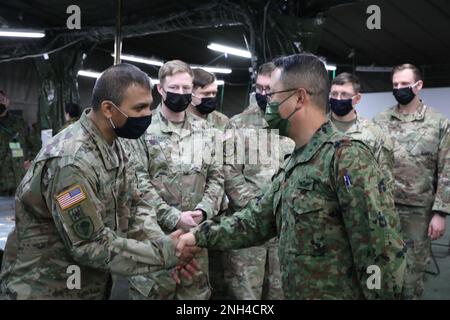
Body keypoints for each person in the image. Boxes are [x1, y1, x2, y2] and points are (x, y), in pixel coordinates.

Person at [176, 53, 406, 300]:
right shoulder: (296, 160)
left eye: (273, 95)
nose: (266, 102)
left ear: (299, 98)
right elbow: (255, 220)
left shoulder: (347, 159)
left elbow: (380, 254)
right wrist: (196, 237)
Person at [0, 63, 199, 299]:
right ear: (108, 109)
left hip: (91, 284)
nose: (148, 115)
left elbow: (135, 206)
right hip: (46, 288)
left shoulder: (117, 143)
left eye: (150, 106)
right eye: (139, 108)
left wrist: (163, 245)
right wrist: (164, 254)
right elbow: (89, 244)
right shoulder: (70, 162)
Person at [128, 60, 224, 300]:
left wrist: (203, 211)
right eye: (174, 88)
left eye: (186, 88)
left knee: (194, 299)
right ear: (160, 90)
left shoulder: (207, 132)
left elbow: (218, 177)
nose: (181, 93)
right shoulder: (142, 129)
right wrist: (173, 217)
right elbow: (137, 182)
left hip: (195, 238)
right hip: (155, 239)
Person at [373, 63, 450, 300]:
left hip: (419, 213)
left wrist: (441, 213)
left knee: (411, 277)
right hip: (384, 210)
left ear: (418, 86)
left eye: (404, 84)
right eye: (395, 84)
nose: (398, 88)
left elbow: (447, 168)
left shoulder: (438, 123)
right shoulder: (380, 120)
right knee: (381, 273)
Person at [221, 62, 294, 299]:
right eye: (259, 88)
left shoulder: (294, 123)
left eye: (269, 89)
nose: (263, 94)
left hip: (284, 226)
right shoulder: (238, 124)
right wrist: (258, 209)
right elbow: (230, 173)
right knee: (245, 292)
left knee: (281, 291)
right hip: (248, 224)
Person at [186, 67, 229, 299]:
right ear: (191, 94)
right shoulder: (180, 123)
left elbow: (228, 165)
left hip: (219, 209)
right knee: (190, 272)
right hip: (189, 211)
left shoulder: (222, 122)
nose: (212, 99)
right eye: (206, 94)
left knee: (219, 273)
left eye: (215, 93)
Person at [328, 72, 394, 185]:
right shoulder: (316, 128)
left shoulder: (374, 134)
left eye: (344, 94)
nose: (338, 99)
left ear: (357, 98)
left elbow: (385, 180)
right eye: (334, 94)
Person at [0, 90, 35, 196]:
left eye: (1, 100)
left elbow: (34, 143)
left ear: (7, 101)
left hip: (20, 181)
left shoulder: (20, 123)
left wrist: (32, 161)